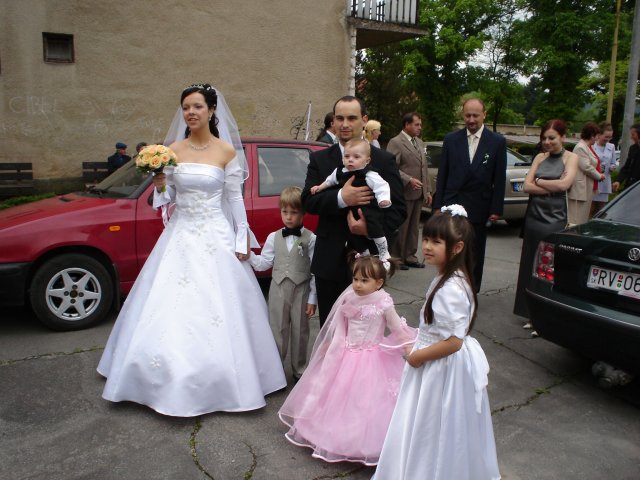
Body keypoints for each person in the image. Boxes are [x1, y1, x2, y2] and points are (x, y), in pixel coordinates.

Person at [97, 83, 286, 417]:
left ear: (211, 111)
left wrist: (242, 236)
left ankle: (227, 381)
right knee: (166, 304)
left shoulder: (226, 152)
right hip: (180, 234)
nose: (191, 112)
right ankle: (155, 378)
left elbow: (234, 198)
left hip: (215, 233)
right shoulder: (172, 151)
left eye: (197, 106)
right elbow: (166, 199)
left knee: (222, 305)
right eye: (186, 107)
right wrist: (160, 185)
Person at [373, 205, 500, 480]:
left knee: (433, 423)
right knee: (432, 424)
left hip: (439, 366)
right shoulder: (448, 277)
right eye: (426, 239)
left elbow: (453, 341)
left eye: (436, 242)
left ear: (457, 247)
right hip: (437, 359)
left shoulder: (450, 288)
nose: (427, 246)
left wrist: (417, 357)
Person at [278, 254, 416, 466]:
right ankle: (331, 437)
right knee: (337, 396)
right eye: (355, 278)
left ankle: (365, 443)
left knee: (365, 401)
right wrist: (330, 344)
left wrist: (408, 345)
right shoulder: (348, 298)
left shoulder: (384, 303)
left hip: (371, 357)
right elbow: (339, 326)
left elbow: (396, 326)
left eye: (364, 280)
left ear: (379, 283)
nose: (358, 284)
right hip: (345, 354)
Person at [302, 95, 406, 326]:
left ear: (364, 120)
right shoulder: (320, 158)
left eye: (352, 118)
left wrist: (369, 228)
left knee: (364, 330)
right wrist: (342, 198)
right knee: (330, 328)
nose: (345, 124)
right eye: (340, 118)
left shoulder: (383, 160)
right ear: (333, 121)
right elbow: (308, 200)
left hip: (368, 264)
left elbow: (398, 210)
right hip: (329, 259)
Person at [432, 98, 506, 291]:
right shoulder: (451, 139)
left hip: (479, 206)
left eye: (475, 115)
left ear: (484, 115)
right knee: (450, 249)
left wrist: (496, 208)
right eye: (467, 115)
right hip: (452, 205)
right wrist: (438, 205)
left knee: (474, 252)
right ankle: (447, 288)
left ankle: (471, 290)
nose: (471, 120)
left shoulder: (497, 142)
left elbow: (499, 178)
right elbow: (443, 174)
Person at [513, 119, 578, 327]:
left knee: (549, 267)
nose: (547, 142)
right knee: (529, 265)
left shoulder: (571, 157)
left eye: (552, 138)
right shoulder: (540, 157)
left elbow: (565, 185)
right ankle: (529, 313)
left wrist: (539, 182)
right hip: (534, 216)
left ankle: (546, 315)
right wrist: (551, 185)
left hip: (556, 218)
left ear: (563, 137)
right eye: (544, 138)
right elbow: (526, 186)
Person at [249, 186, 317, 380]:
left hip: (301, 290)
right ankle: (276, 370)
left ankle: (299, 369)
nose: (288, 217)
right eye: (284, 212)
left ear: (303, 213)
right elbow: (263, 263)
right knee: (277, 329)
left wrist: (312, 298)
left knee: (300, 330)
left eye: (294, 213)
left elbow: (314, 271)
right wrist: (249, 256)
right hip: (278, 289)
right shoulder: (273, 237)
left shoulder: (311, 238)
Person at [310, 138, 392, 262]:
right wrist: (320, 187)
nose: (350, 159)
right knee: (352, 234)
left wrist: (383, 199)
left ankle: (383, 251)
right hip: (349, 210)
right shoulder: (340, 171)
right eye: (347, 156)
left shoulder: (369, 174)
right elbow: (330, 181)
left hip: (367, 208)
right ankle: (363, 252)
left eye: (356, 157)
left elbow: (382, 186)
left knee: (374, 227)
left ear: (367, 160)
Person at [386, 112, 432, 270]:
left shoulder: (419, 142)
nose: (420, 127)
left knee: (414, 228)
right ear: (407, 125)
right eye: (417, 124)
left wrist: (428, 191)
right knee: (402, 227)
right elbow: (391, 167)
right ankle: (397, 258)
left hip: (418, 193)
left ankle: (410, 256)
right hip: (403, 192)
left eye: (420, 125)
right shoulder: (395, 142)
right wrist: (408, 179)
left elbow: (424, 168)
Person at [568, 122, 604, 225]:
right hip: (580, 189)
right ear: (592, 135)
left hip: (585, 188)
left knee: (582, 217)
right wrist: (599, 176)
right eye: (597, 136)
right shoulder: (580, 147)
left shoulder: (586, 147)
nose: (597, 138)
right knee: (576, 218)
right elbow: (586, 167)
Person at [591, 122, 616, 215]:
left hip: (605, 181)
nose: (608, 139)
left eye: (610, 137)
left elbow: (613, 162)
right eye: (606, 137)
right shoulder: (592, 146)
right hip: (594, 181)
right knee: (590, 208)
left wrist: (612, 167)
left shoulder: (612, 147)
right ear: (599, 135)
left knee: (601, 210)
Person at [612, 123, 640, 193]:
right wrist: (618, 181)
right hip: (631, 186)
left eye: (633, 134)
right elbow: (626, 168)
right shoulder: (633, 148)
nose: (631, 137)